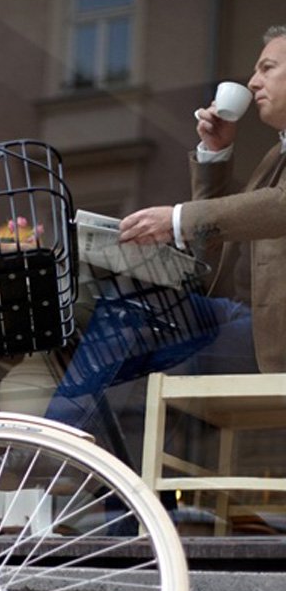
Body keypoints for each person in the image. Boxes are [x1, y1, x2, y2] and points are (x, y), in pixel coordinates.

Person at [118, 24, 286, 374]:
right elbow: (212, 240)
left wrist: (175, 220)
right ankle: (71, 425)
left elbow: (279, 206)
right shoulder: (275, 156)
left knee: (147, 351)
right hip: (249, 319)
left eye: (267, 68)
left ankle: (67, 426)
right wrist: (215, 153)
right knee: (126, 317)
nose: (253, 82)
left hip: (270, 334)